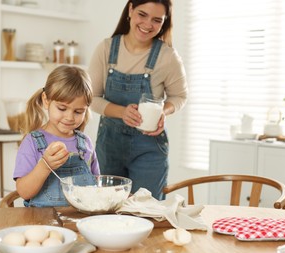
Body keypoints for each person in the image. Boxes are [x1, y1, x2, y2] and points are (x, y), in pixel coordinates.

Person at [89, 0, 188, 200]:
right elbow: (91, 97)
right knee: (107, 209)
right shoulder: (106, 49)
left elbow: (179, 96)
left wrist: (164, 111)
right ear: (131, 9)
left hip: (149, 149)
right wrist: (121, 112)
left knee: (147, 211)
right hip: (109, 147)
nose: (148, 24)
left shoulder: (168, 57)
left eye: (156, 20)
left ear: (164, 23)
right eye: (142, 14)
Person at [13, 65, 100, 207]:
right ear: (46, 100)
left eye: (78, 112)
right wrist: (45, 166)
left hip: (79, 221)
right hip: (42, 221)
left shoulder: (86, 144)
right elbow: (24, 192)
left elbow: (97, 187)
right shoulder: (33, 142)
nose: (69, 117)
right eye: (62, 108)